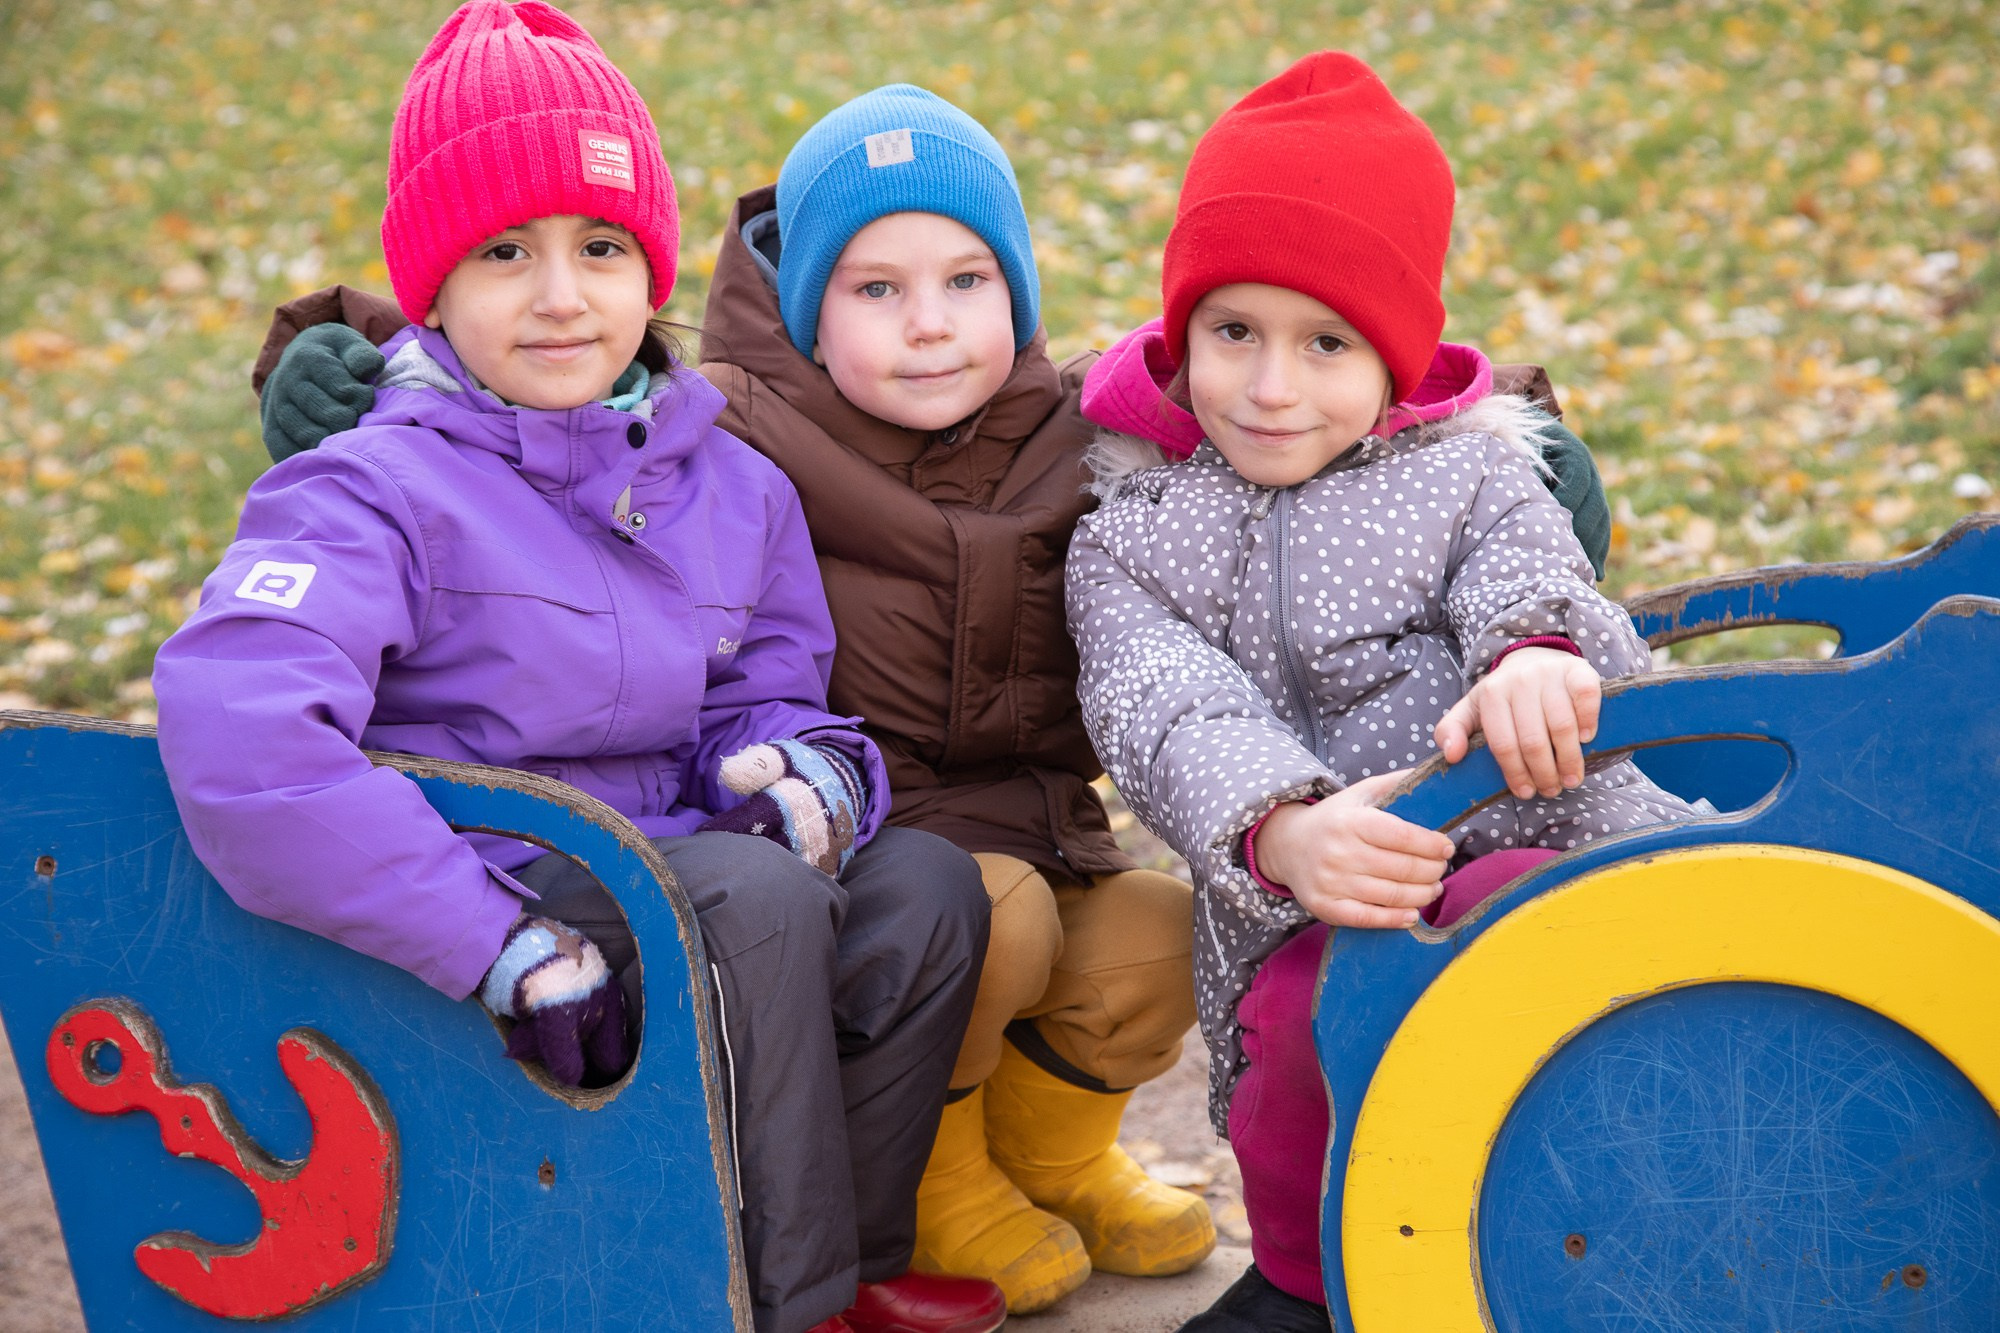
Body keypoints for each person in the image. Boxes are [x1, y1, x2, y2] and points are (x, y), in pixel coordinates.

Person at [248, 80, 1617, 1319]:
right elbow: (550, 362)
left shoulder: (1078, 427)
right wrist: (332, 355)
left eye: (968, 280)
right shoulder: (738, 426)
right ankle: (935, 1182)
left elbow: (1286, 353)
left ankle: (1049, 1154)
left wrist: (1514, 438)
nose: (929, 324)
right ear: (809, 311)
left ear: (1015, 292)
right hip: (888, 838)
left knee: (1151, 934)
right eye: (875, 288)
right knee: (974, 910)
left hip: (1021, 826)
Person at [150, 7, 1005, 1333]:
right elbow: (247, 740)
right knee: (750, 900)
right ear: (432, 287)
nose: (561, 296)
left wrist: (802, 770)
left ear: (647, 272)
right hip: (486, 880)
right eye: (506, 253)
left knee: (925, 885)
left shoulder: (728, 484)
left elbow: (770, 689)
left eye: (601, 248)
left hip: (669, 852)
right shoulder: (369, 490)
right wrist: (490, 939)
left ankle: (850, 1260)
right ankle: (772, 1303)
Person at [1063, 52, 1700, 1332]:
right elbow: (1160, 701)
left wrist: (1534, 654)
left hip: (1539, 850)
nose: (1271, 386)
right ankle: (1306, 1288)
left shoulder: (1469, 479)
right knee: (1312, 1019)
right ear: (1180, 334)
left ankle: (1583, 1257)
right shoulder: (1130, 534)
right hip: (1302, 898)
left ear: (1395, 357)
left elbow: (1534, 575)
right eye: (1232, 332)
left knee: (1504, 943)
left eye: (1326, 342)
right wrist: (1280, 829)